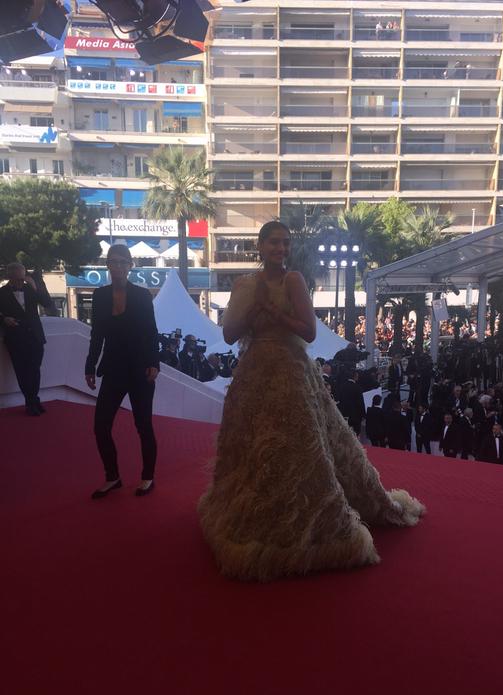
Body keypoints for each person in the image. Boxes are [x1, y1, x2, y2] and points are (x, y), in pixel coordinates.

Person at [198, 221, 425, 582]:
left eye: (285, 243)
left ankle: (311, 525)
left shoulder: (293, 281)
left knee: (300, 447)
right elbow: (228, 335)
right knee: (252, 449)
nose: (281, 248)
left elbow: (309, 331)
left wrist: (273, 313)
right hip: (253, 374)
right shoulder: (244, 285)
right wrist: (252, 313)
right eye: (274, 242)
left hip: (290, 372)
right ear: (260, 246)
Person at [85, 244, 160, 499]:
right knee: (101, 426)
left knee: (143, 425)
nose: (117, 267)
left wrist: (154, 363)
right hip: (113, 368)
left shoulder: (142, 295)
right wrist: (90, 366)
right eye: (113, 262)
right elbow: (97, 334)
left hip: (140, 368)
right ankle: (112, 477)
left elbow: (151, 331)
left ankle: (148, 477)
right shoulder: (99, 296)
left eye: (122, 262)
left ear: (130, 266)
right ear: (107, 265)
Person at [0, 263, 53, 415]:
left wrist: (35, 287)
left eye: (22, 279)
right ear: (9, 277)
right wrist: (4, 319)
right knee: (22, 371)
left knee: (35, 369)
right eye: (16, 279)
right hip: (15, 337)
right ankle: (31, 402)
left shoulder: (30, 289)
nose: (20, 282)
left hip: (35, 335)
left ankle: (33, 399)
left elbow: (47, 303)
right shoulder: (2, 293)